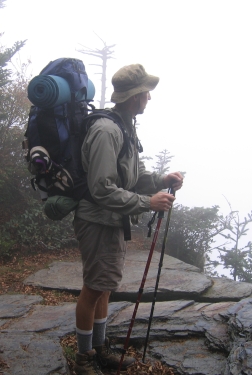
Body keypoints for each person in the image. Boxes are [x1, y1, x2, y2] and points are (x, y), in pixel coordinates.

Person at [73, 64, 184, 374]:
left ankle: (98, 346)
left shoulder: (124, 125)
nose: (149, 97)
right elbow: (102, 188)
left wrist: (160, 180)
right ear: (135, 97)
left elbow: (129, 179)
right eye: (146, 92)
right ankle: (84, 359)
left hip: (109, 219)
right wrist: (147, 202)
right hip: (97, 220)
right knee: (94, 288)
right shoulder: (108, 130)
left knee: (103, 286)